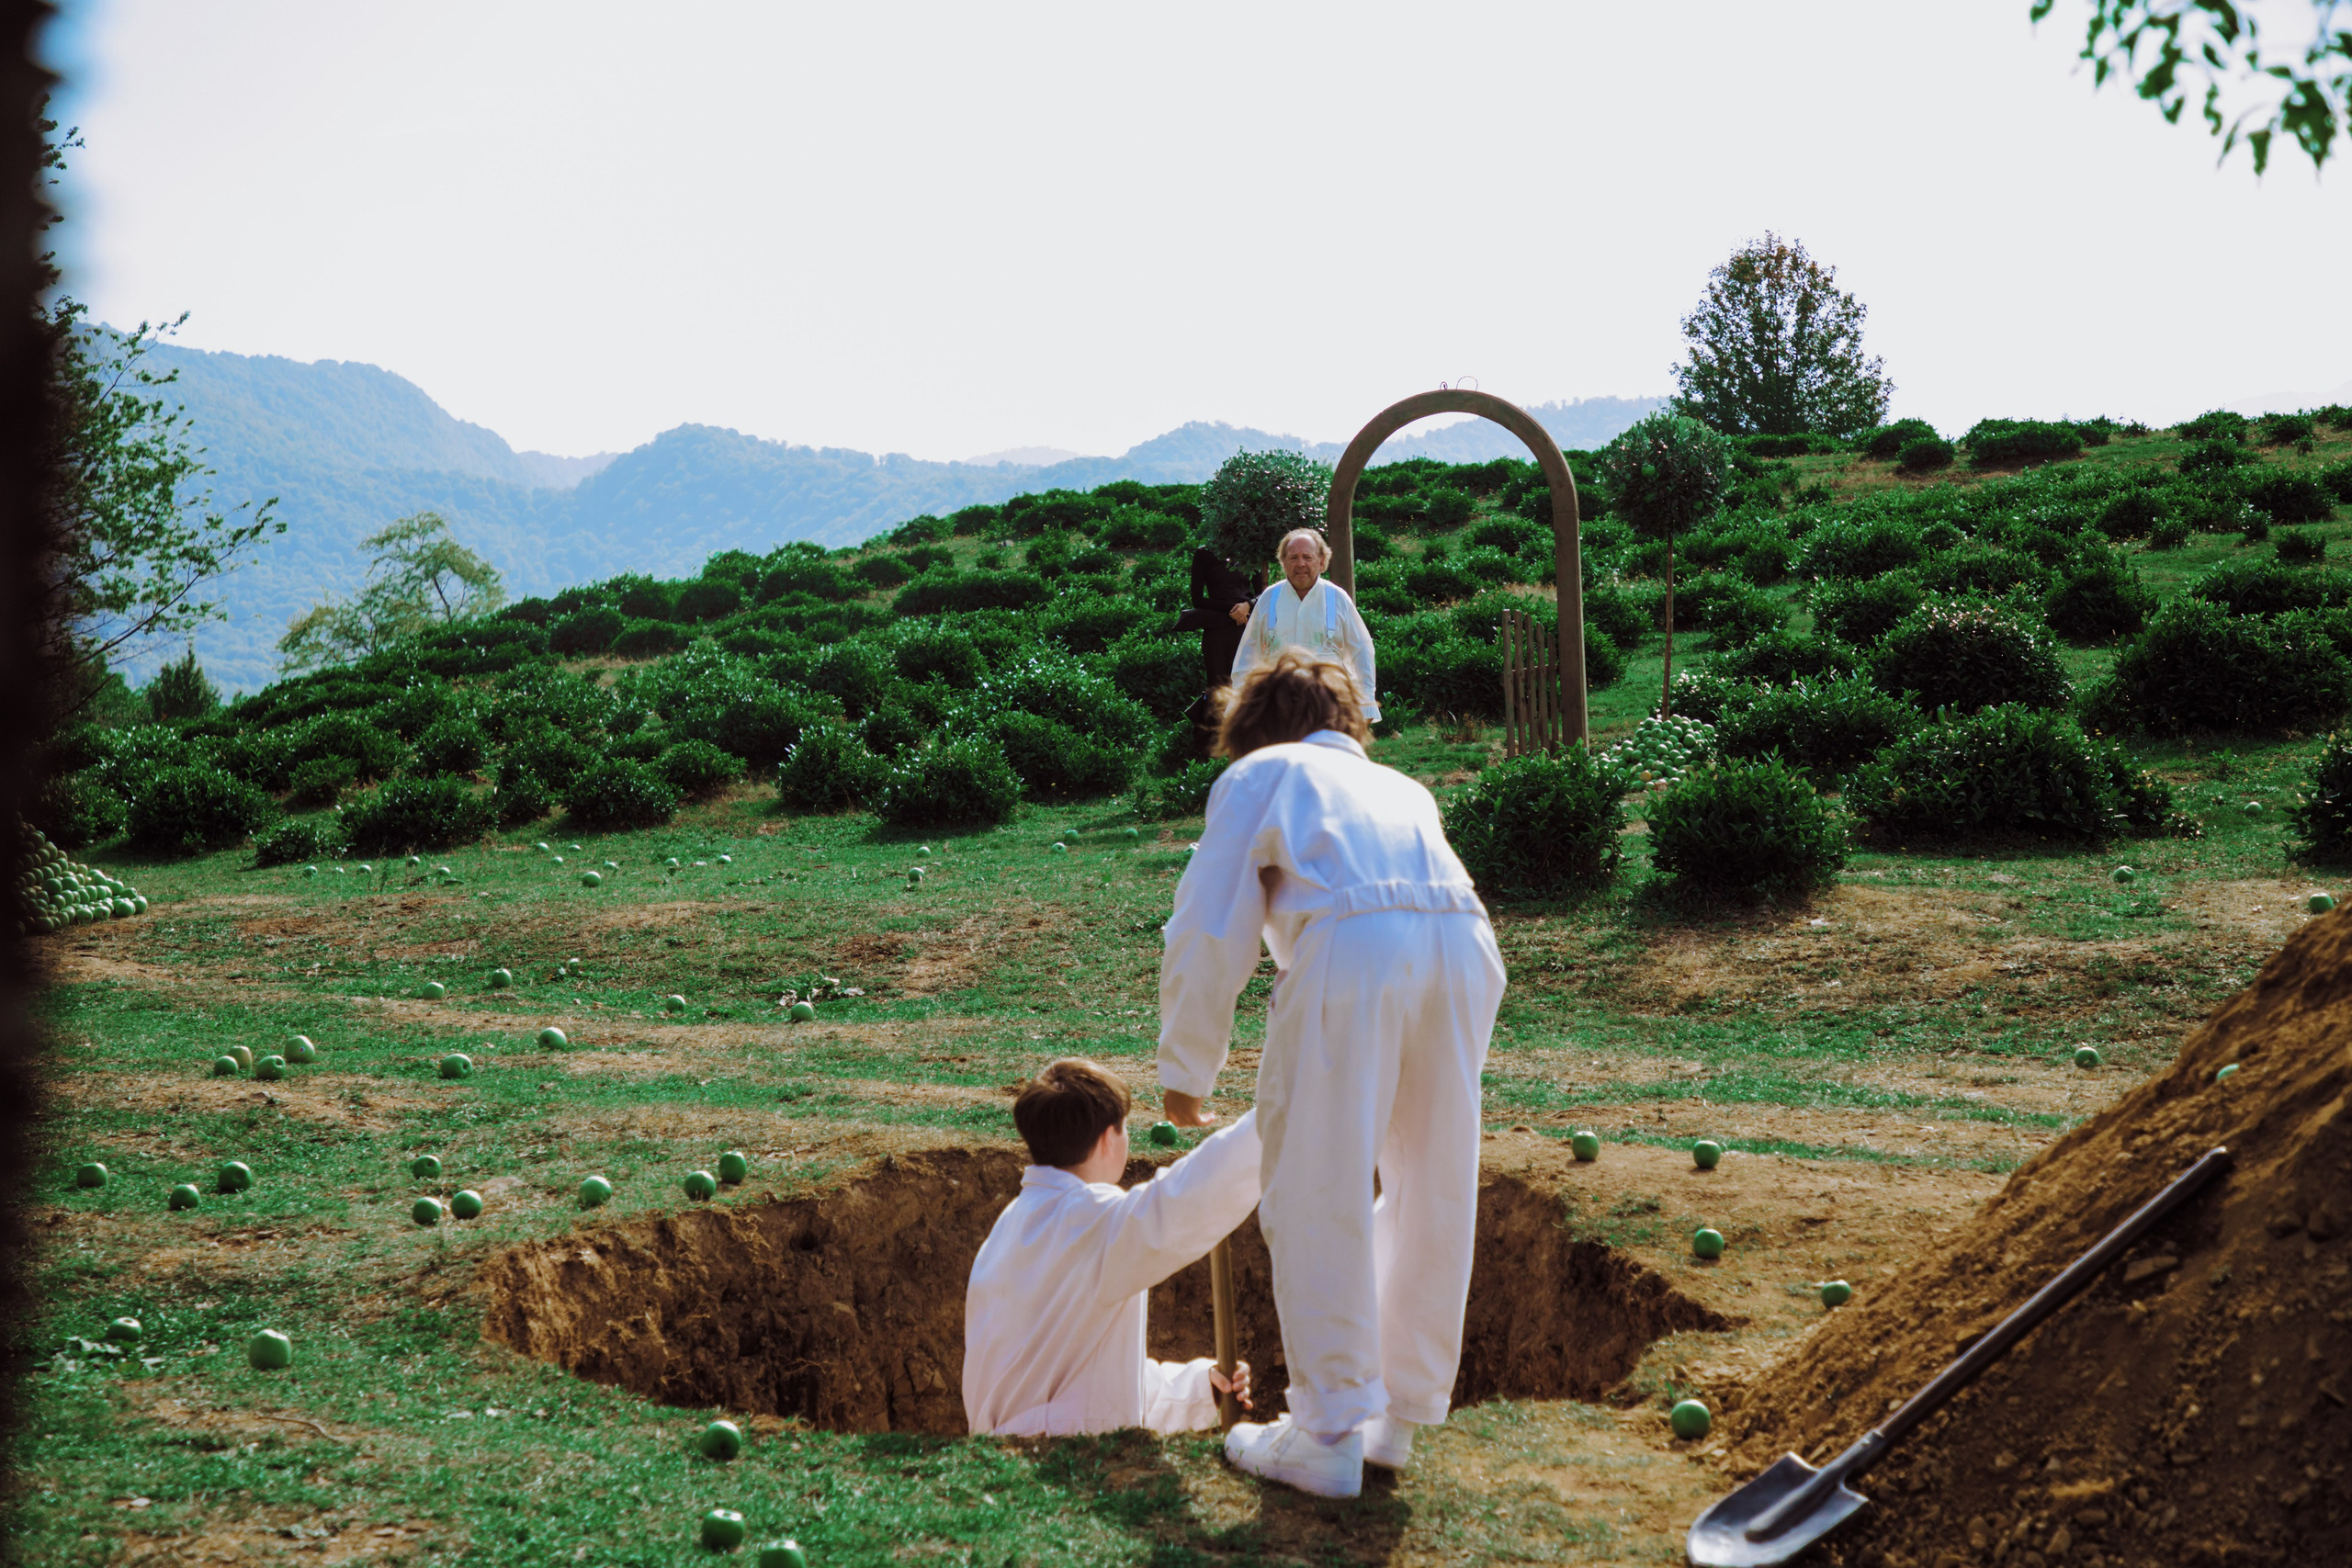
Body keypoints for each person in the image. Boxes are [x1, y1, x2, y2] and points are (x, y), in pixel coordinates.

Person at [1158, 649, 1504, 1499]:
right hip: (1464, 947)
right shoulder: (1402, 786)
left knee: (1317, 1185)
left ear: (1253, 726)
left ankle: (1326, 1431)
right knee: (1432, 1186)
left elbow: (1207, 924)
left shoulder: (1260, 775)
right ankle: (1398, 1419)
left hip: (1352, 949)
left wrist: (1185, 1071)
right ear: (1343, 719)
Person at [963, 1057, 1261, 1437]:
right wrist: (1275, 1116)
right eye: (1124, 1130)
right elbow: (1185, 1202)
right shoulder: (1089, 1220)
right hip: (1053, 1460)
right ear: (1108, 1140)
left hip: (1013, 1449)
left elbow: (1086, 1375)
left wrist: (1200, 1387)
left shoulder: (1013, 1223)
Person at [1227, 528, 1382, 726]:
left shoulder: (1337, 598)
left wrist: (1366, 703)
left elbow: (1362, 650)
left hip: (1330, 710)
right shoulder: (1268, 598)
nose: (1300, 564)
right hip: (1278, 712)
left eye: (1307, 557)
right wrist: (1242, 705)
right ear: (1283, 563)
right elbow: (1247, 656)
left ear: (1322, 561)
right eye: (1293, 558)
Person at [1172, 546, 1261, 692]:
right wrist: (1232, 608)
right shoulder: (1204, 553)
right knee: (1218, 688)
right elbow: (1197, 599)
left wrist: (1247, 605)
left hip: (1245, 626)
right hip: (1217, 631)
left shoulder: (1251, 551)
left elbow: (1262, 593)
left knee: (1247, 685)